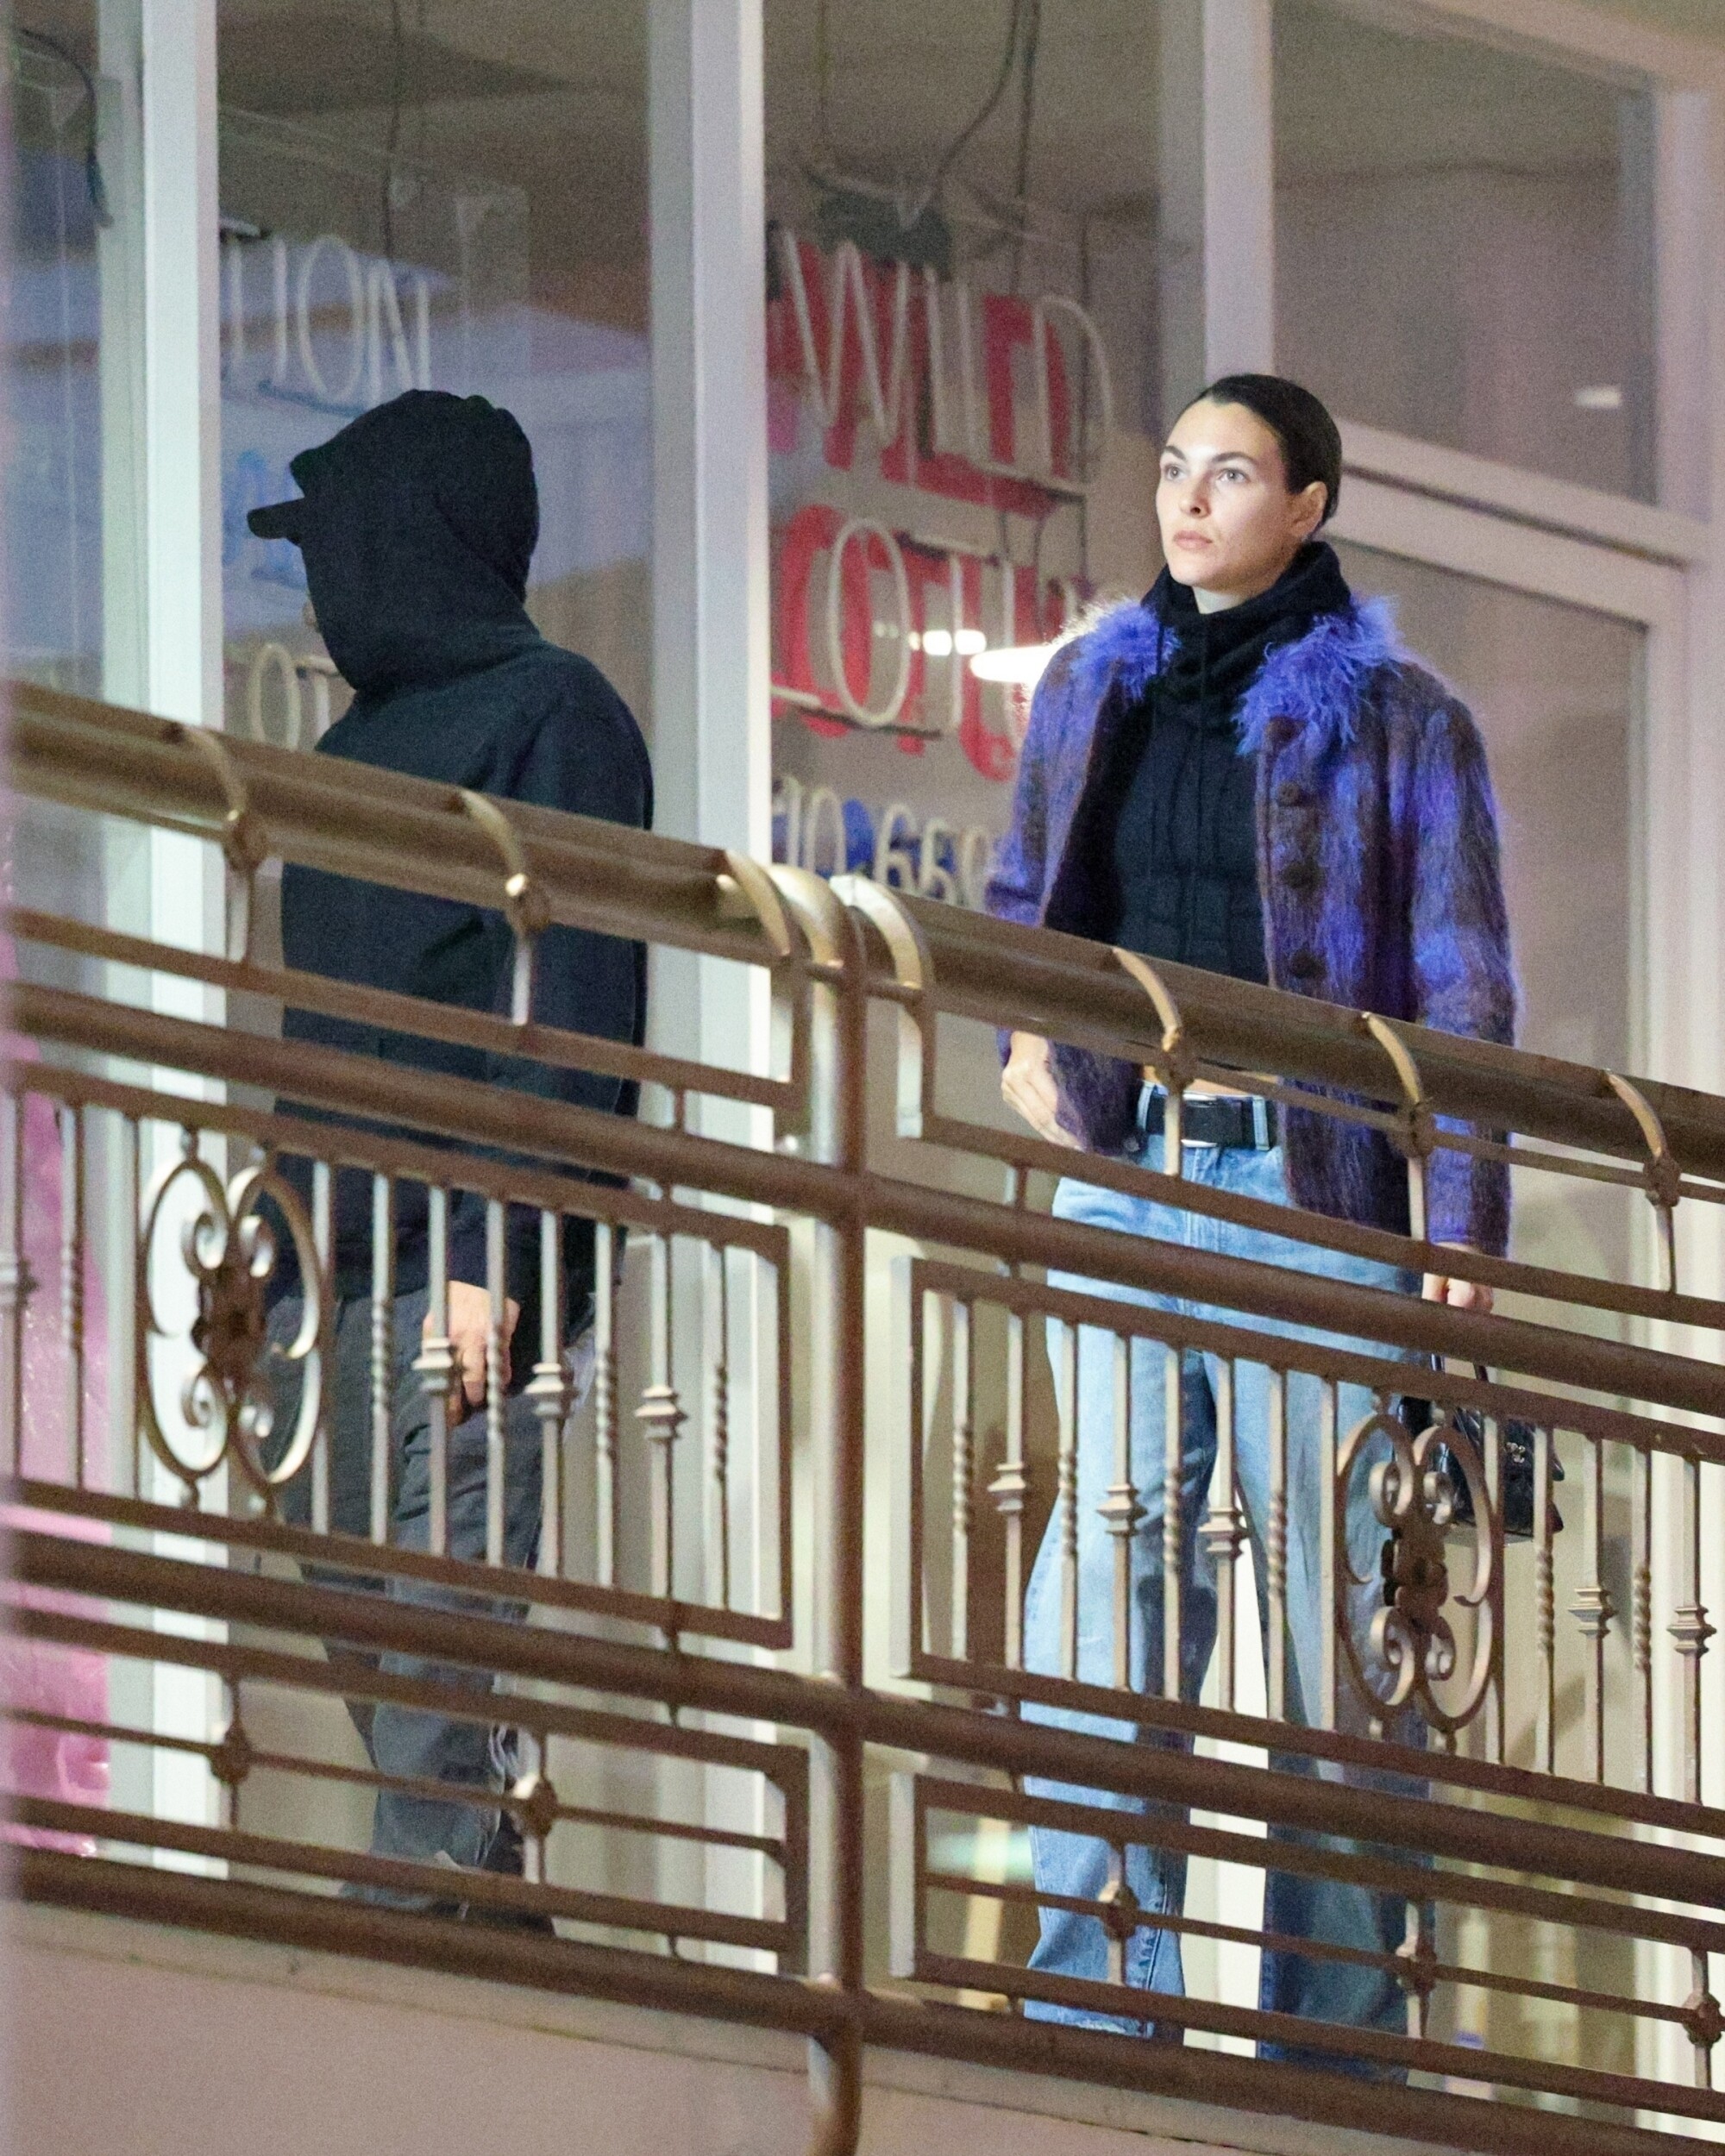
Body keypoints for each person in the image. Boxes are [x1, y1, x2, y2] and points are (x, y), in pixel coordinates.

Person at [985, 374, 1514, 2055]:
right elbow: (1024, 897)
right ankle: (1098, 2000)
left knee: (1336, 1603)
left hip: (1312, 1191)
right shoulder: (1092, 685)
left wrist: (1457, 1230)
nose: (1189, 499)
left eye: (1230, 473)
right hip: (1133, 1162)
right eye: (1172, 469)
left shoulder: (1402, 720)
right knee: (1107, 1580)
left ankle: (1334, 2041)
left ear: (1308, 506)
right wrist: (1022, 1038)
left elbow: (1461, 993)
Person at [248, 389, 651, 1908]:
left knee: (436, 1646)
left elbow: (573, 1015)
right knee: (378, 1640)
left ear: (407, 538)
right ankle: (485, 1911)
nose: (318, 587)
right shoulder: (351, 742)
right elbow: (324, 1023)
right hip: (327, 1273)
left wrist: (504, 1256)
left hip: (463, 1274)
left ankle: (415, 1952)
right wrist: (270, 1256)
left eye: (335, 547)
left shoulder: (556, 713)